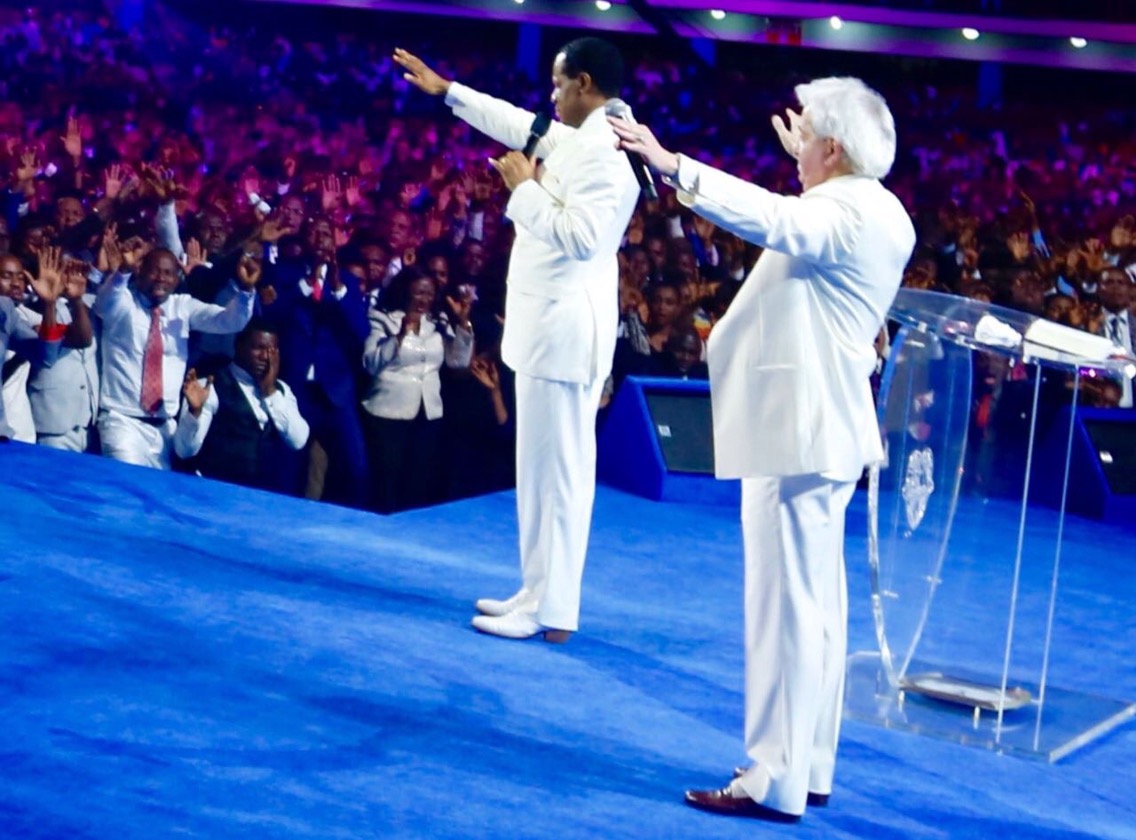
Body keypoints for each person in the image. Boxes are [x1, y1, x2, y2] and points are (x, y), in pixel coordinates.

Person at [611, 77, 916, 820]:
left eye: (808, 135)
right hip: (822, 431)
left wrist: (672, 164)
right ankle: (808, 766)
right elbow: (809, 223)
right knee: (818, 609)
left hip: (797, 434)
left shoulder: (839, 212)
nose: (797, 145)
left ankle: (772, 778)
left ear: (834, 149)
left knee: (786, 612)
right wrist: (811, 165)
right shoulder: (882, 209)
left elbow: (777, 218)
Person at [394, 38, 639, 642]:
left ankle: (555, 612)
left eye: (557, 84)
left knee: (561, 479)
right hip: (544, 337)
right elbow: (517, 122)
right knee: (537, 476)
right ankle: (536, 592)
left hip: (566, 338)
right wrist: (447, 90)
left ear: (583, 83)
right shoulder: (582, 138)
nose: (551, 96)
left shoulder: (608, 155)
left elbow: (583, 238)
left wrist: (524, 189)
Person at [360, 265, 473, 513]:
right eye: (419, 293)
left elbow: (458, 361)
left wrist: (463, 323)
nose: (424, 299)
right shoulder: (382, 319)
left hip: (427, 413)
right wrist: (399, 336)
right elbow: (371, 364)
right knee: (388, 484)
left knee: (417, 483)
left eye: (430, 293)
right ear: (405, 291)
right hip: (388, 412)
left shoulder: (438, 322)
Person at [173, 318, 310, 494]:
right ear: (238, 346)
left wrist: (269, 391)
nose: (265, 357)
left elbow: (298, 441)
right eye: (258, 348)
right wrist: (195, 412)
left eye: (272, 351)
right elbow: (184, 450)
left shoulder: (281, 391)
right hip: (217, 493)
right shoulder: (208, 386)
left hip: (264, 498)